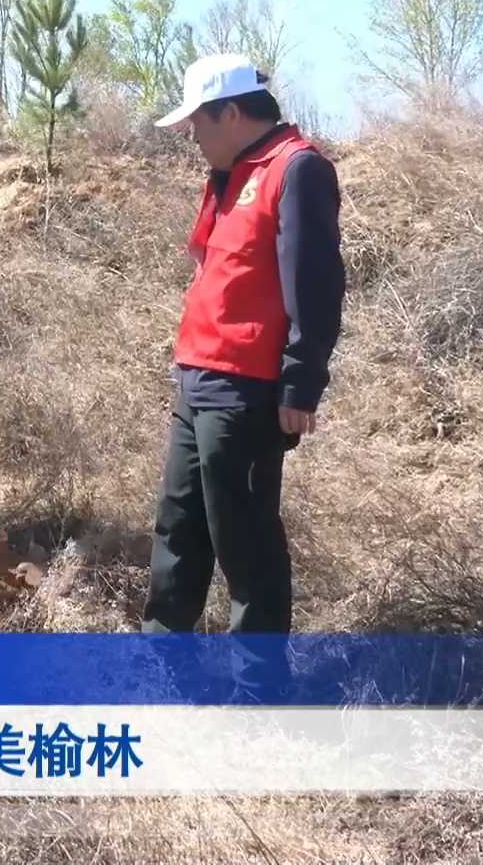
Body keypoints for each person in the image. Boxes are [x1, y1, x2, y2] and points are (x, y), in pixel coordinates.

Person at [142, 54, 344, 634]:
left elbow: (316, 285)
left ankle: (259, 682)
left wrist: (301, 383)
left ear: (230, 113)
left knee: (246, 542)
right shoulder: (231, 173)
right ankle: (163, 664)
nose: (193, 138)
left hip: (245, 388)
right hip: (197, 378)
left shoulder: (296, 169)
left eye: (197, 124)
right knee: (178, 528)